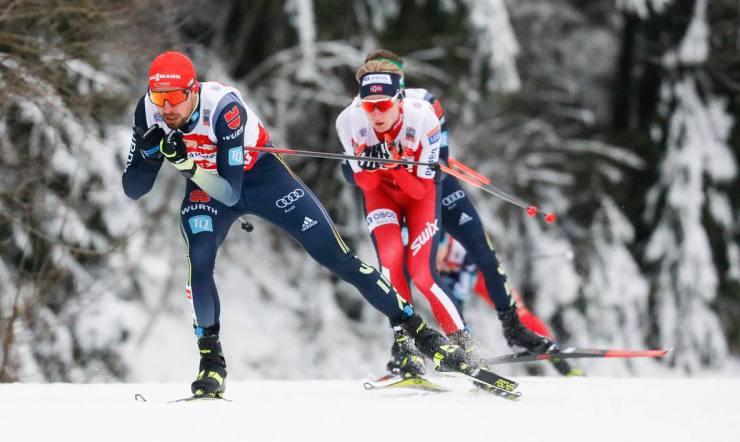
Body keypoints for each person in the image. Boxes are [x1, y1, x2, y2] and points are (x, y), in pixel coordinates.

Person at [122, 51, 473, 397]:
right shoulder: (149, 111)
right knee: (198, 263)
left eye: (175, 98)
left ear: (194, 90)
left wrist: (184, 164)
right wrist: (150, 157)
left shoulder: (223, 108)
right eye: (159, 97)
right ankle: (211, 363)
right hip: (205, 187)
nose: (166, 108)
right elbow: (134, 188)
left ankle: (421, 333)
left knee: (336, 257)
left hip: (259, 177)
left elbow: (231, 193)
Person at [340, 50, 560, 377]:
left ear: (399, 83)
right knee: (393, 261)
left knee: (475, 254)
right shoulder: (354, 117)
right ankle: (407, 348)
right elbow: (355, 176)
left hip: (434, 188)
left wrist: (401, 164)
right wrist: (368, 163)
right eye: (367, 102)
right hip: (386, 194)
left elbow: (435, 172)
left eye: (395, 72)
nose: (375, 110)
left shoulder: (426, 107)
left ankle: (509, 330)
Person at [436, 234, 584, 376]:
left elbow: (480, 239)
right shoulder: (433, 255)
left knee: (519, 313)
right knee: (450, 318)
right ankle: (469, 360)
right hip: (459, 282)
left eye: (438, 254)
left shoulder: (459, 245)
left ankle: (556, 354)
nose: (437, 262)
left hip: (482, 276)